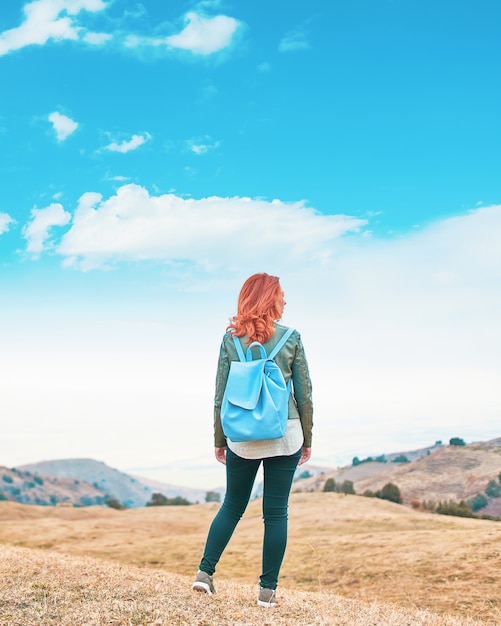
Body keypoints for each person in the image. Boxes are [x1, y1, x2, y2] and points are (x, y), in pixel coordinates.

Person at [192, 272, 313, 607]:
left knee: (232, 505)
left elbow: (220, 394)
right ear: (269, 297)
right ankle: (267, 592)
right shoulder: (292, 337)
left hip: (242, 436)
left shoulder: (231, 340)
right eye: (282, 294)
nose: (285, 300)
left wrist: (220, 438)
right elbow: (304, 395)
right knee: (275, 513)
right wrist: (308, 437)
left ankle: (205, 574)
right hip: (284, 433)